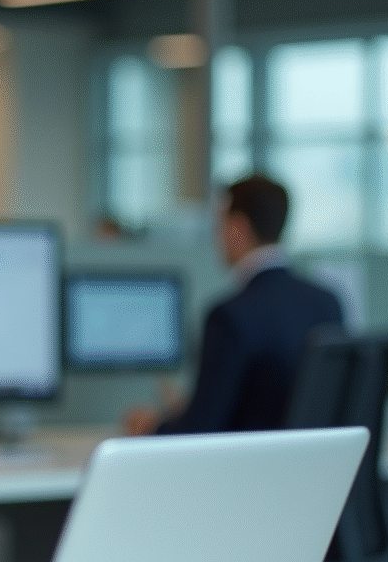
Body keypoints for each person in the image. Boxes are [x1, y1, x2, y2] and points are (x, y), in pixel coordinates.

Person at [124, 174, 344, 436]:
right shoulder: (328, 303)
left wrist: (153, 427)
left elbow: (200, 432)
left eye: (221, 224)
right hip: (313, 472)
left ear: (238, 227)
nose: (218, 237)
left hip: (248, 472)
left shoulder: (230, 317)